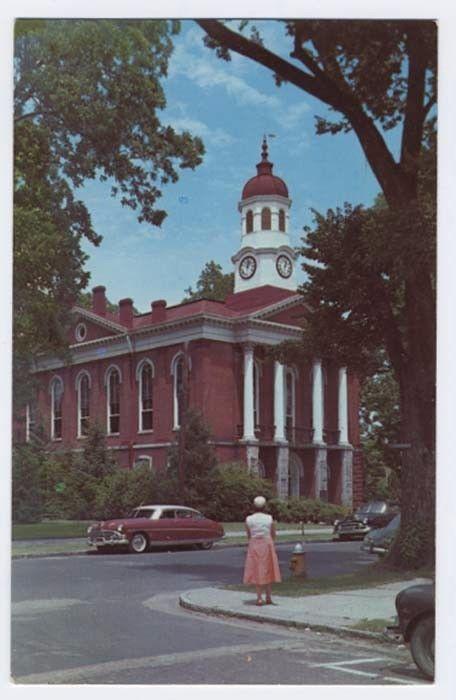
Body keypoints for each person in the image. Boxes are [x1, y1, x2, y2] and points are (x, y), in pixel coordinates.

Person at [243, 496, 281, 605]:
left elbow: (249, 535)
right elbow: (273, 534)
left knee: (257, 570)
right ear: (265, 506)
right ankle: (268, 596)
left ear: (253, 506)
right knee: (268, 569)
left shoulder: (249, 519)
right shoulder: (269, 518)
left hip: (254, 544)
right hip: (267, 544)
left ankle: (259, 597)